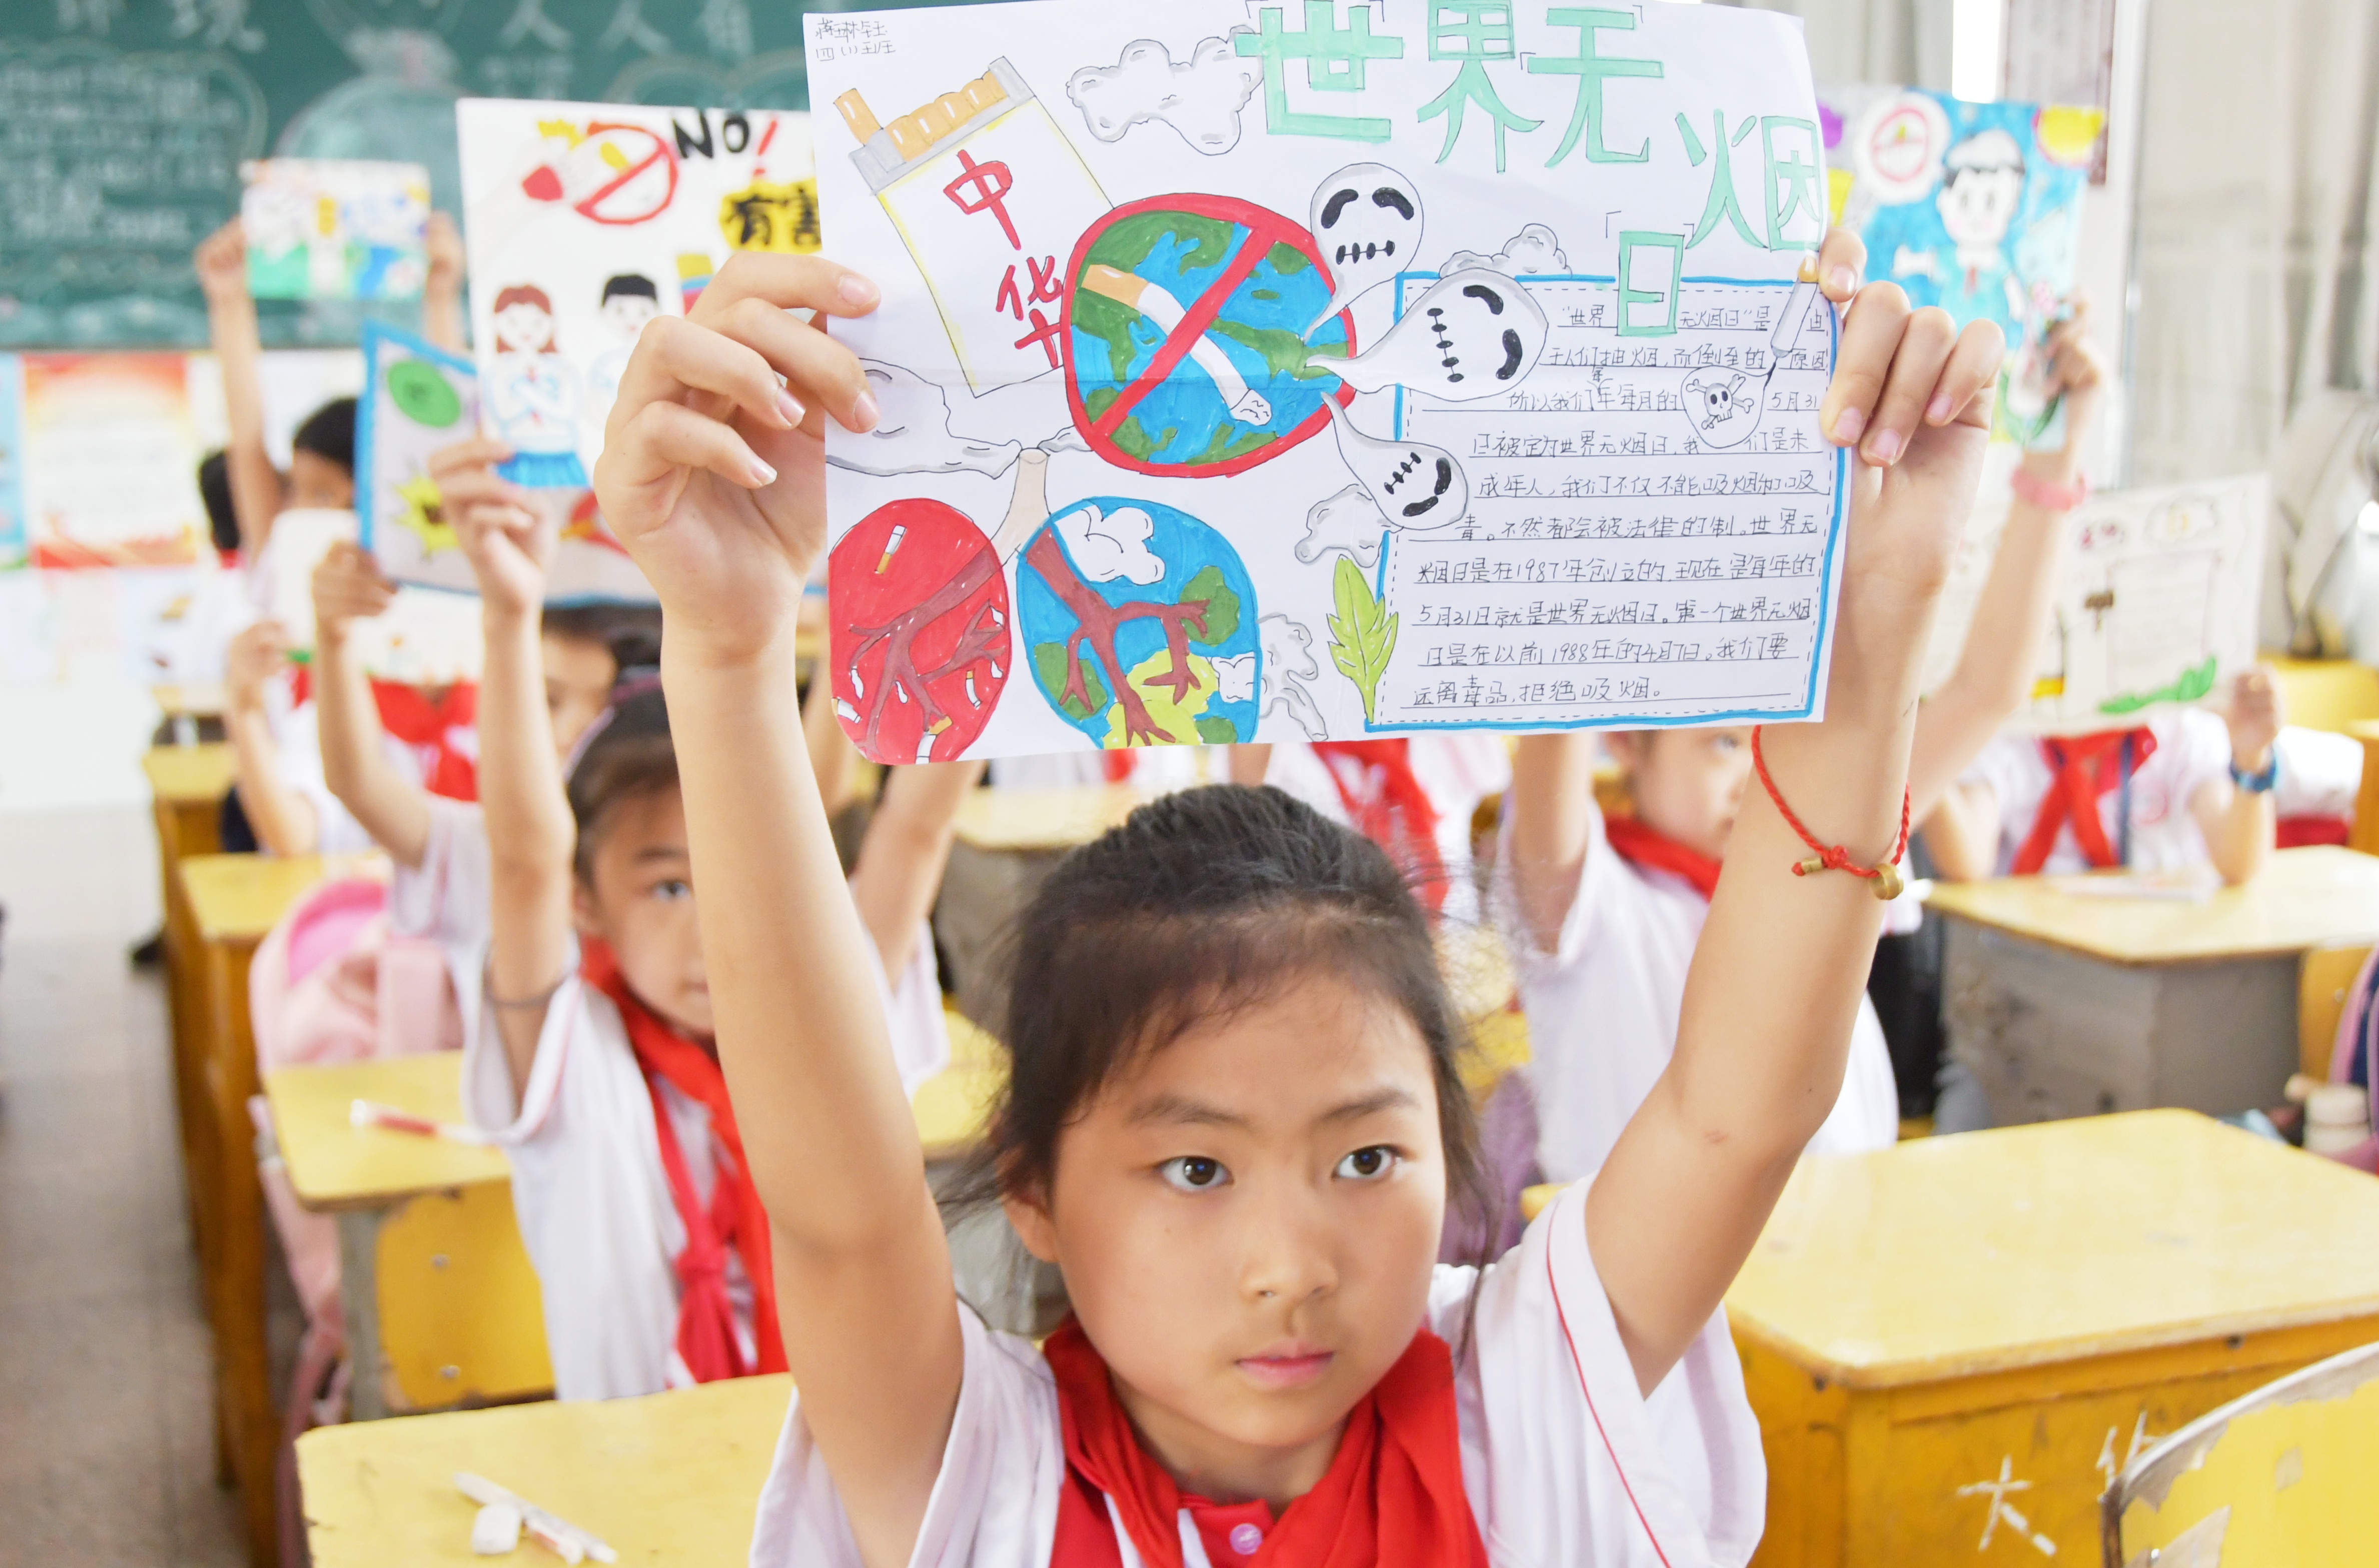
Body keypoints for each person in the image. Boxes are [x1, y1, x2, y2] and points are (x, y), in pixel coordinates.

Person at [586, 241, 1997, 1564]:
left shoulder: (1523, 1398)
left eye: (1368, 1157)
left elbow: (1736, 1109)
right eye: (1194, 1167)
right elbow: (839, 1210)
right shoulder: (986, 1475)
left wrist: (1873, 629)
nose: (1289, 1266)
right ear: (1030, 1191)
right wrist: (724, 646)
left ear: (1455, 1160)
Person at [1499, 295, 2108, 1182]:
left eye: (1770, 741)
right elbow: (1560, 702)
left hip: (1839, 1286)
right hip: (1674, 1318)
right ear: (1628, 745)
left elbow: (1986, 690)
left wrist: (2061, 449)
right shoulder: (1587, 908)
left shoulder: (1819, 858)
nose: (1753, 774)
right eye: (1717, 745)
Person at [436, 441, 973, 1401]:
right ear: (586, 903)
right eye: (669, 889)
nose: (713, 930)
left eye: (727, 883)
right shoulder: (573, 1055)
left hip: (841, 1481)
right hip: (637, 1492)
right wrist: (510, 615)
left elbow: (917, 825)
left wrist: (975, 572)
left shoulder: (826, 1021)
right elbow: (521, 860)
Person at [308, 525, 659, 960]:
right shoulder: (480, 848)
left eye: (610, 710)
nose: (574, 731)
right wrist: (334, 636)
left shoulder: (691, 857)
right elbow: (357, 779)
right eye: (547, 700)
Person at [1922, 667, 2283, 885]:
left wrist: (2252, 757)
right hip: (2034, 964)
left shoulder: (2180, 730)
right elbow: (1965, 860)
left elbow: (2238, 863)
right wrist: (1920, 732)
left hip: (2154, 951)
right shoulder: (2010, 732)